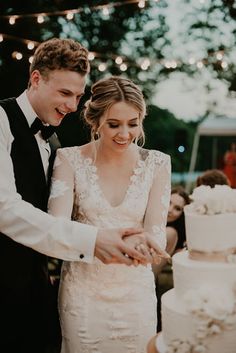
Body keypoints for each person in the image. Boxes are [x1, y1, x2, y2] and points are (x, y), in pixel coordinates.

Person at [0, 38, 166, 353]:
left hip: (32, 293)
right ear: (36, 79)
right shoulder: (0, 123)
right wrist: (92, 240)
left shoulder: (52, 143)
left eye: (78, 96)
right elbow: (5, 208)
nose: (73, 106)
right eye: (65, 93)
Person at [48, 75, 171, 353]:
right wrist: (103, 241)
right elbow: (55, 230)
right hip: (83, 295)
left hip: (135, 295)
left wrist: (144, 245)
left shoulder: (158, 164)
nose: (124, 134)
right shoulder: (69, 159)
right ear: (95, 121)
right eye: (114, 124)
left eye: (133, 124)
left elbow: (156, 237)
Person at [152, 186, 190, 332]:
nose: (169, 210)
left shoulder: (170, 233)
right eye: (168, 202)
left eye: (177, 208)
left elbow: (150, 272)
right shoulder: (156, 225)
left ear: (182, 214)